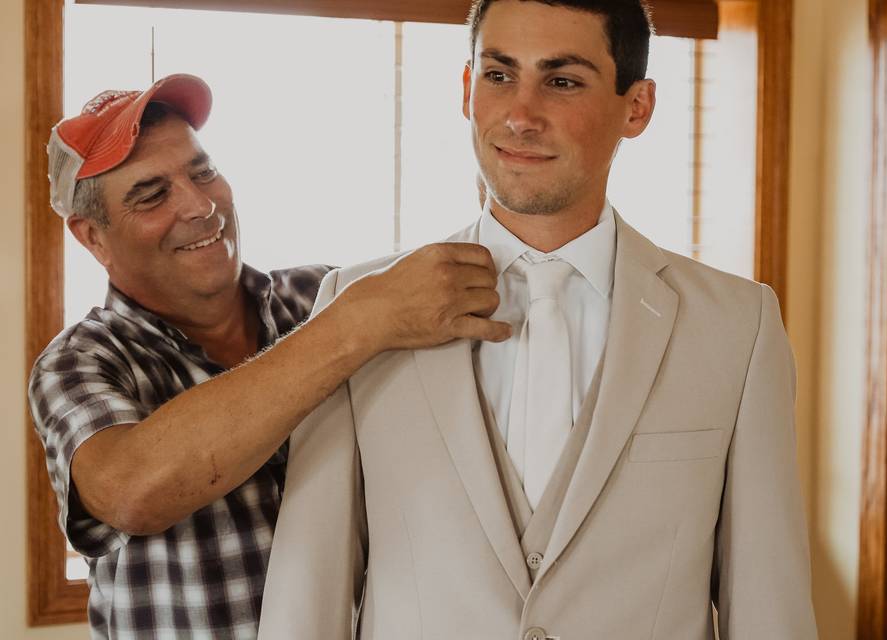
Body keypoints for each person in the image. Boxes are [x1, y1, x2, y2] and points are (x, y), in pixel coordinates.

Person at [260, 0, 819, 637]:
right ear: (468, 88)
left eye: (562, 81)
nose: (520, 116)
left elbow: (769, 607)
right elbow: (307, 594)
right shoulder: (357, 305)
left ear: (636, 107)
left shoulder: (737, 327)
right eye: (499, 75)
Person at [28, 74, 511, 638]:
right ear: (93, 237)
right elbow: (131, 491)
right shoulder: (80, 361)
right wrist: (353, 326)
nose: (200, 204)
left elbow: (447, 297)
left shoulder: (320, 296)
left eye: (202, 170)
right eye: (151, 195)